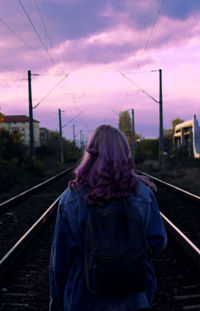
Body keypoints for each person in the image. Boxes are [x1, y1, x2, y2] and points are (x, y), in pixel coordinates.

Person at [49, 125, 167, 311]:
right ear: (124, 153)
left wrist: (56, 300)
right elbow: (158, 241)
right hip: (134, 297)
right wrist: (126, 253)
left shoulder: (71, 197)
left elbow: (61, 260)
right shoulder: (143, 193)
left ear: (91, 152)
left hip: (84, 297)